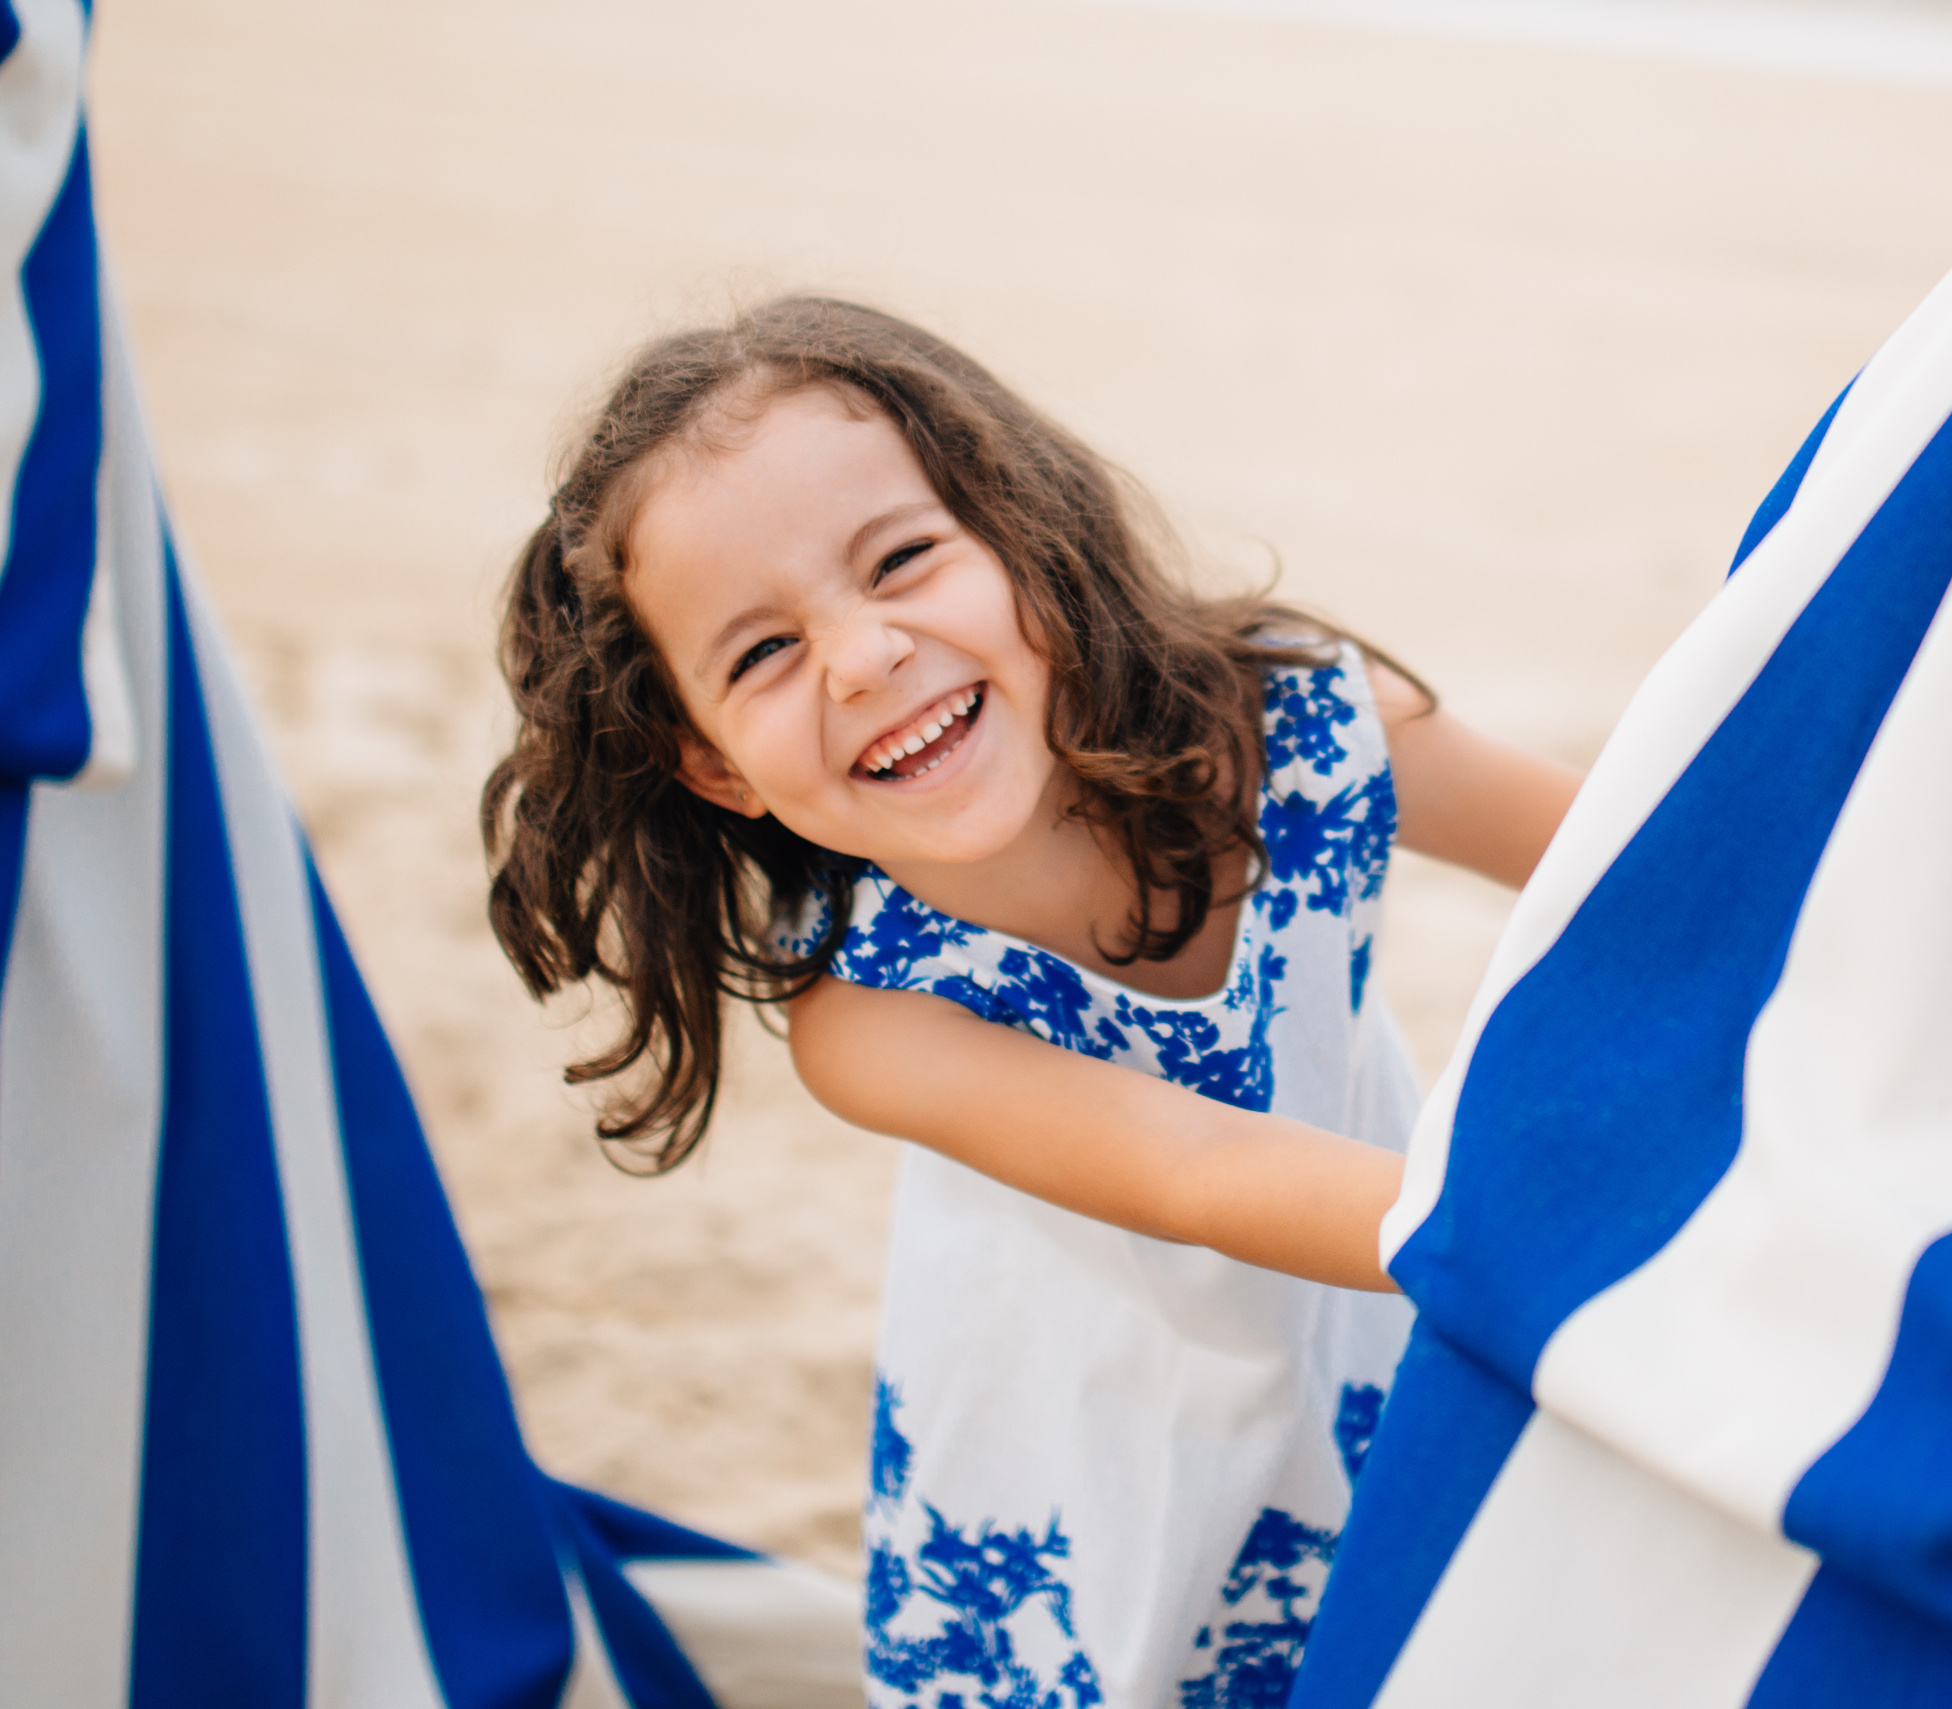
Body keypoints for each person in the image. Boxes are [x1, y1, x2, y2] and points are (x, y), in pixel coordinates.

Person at [480, 297, 1581, 1707]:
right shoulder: (872, 1014)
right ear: (715, 766)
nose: (863, 654)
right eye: (761, 653)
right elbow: (1195, 1164)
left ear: (1022, 535)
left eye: (902, 559)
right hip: (1088, 1483)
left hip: (1374, 1325)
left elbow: (1631, 864)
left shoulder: (1299, 718)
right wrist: (1544, 1230)